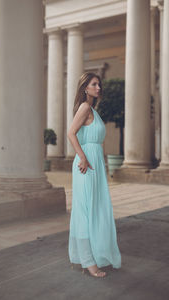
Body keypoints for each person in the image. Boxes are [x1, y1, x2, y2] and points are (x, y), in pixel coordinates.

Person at [67, 72, 122, 278]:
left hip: (95, 163)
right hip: (86, 164)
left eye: (99, 84)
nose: (98, 88)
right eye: (94, 84)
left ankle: (93, 256)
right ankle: (89, 263)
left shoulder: (93, 110)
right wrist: (82, 158)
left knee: (96, 209)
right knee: (85, 211)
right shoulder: (84, 108)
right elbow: (70, 133)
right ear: (85, 88)